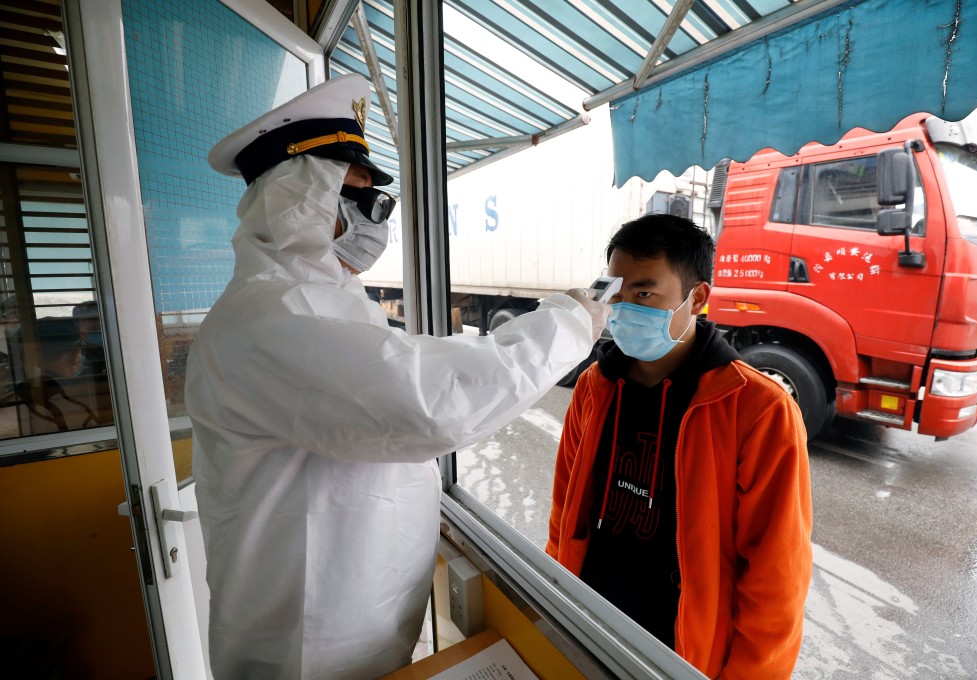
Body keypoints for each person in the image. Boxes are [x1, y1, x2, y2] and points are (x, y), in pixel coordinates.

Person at [184, 73, 608, 680]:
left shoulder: (319, 298)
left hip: (349, 615)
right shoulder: (273, 315)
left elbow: (400, 362)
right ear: (299, 196)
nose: (375, 217)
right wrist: (566, 325)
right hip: (305, 642)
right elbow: (427, 403)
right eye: (356, 195)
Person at [546, 214, 812, 679]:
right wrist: (553, 597)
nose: (625, 309)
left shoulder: (756, 409)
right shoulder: (595, 385)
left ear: (699, 298)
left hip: (682, 648)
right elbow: (564, 509)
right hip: (589, 618)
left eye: (645, 294)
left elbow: (777, 578)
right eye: (618, 294)